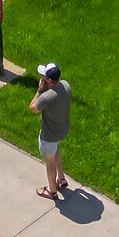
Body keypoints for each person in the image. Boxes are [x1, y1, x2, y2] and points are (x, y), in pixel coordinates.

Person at [29, 62, 71, 199]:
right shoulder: (65, 85)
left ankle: (52, 191)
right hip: (62, 130)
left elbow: (33, 108)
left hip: (49, 135)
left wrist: (40, 90)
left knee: (49, 162)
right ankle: (62, 179)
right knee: (55, 151)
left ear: (47, 80)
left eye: (43, 77)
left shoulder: (47, 97)